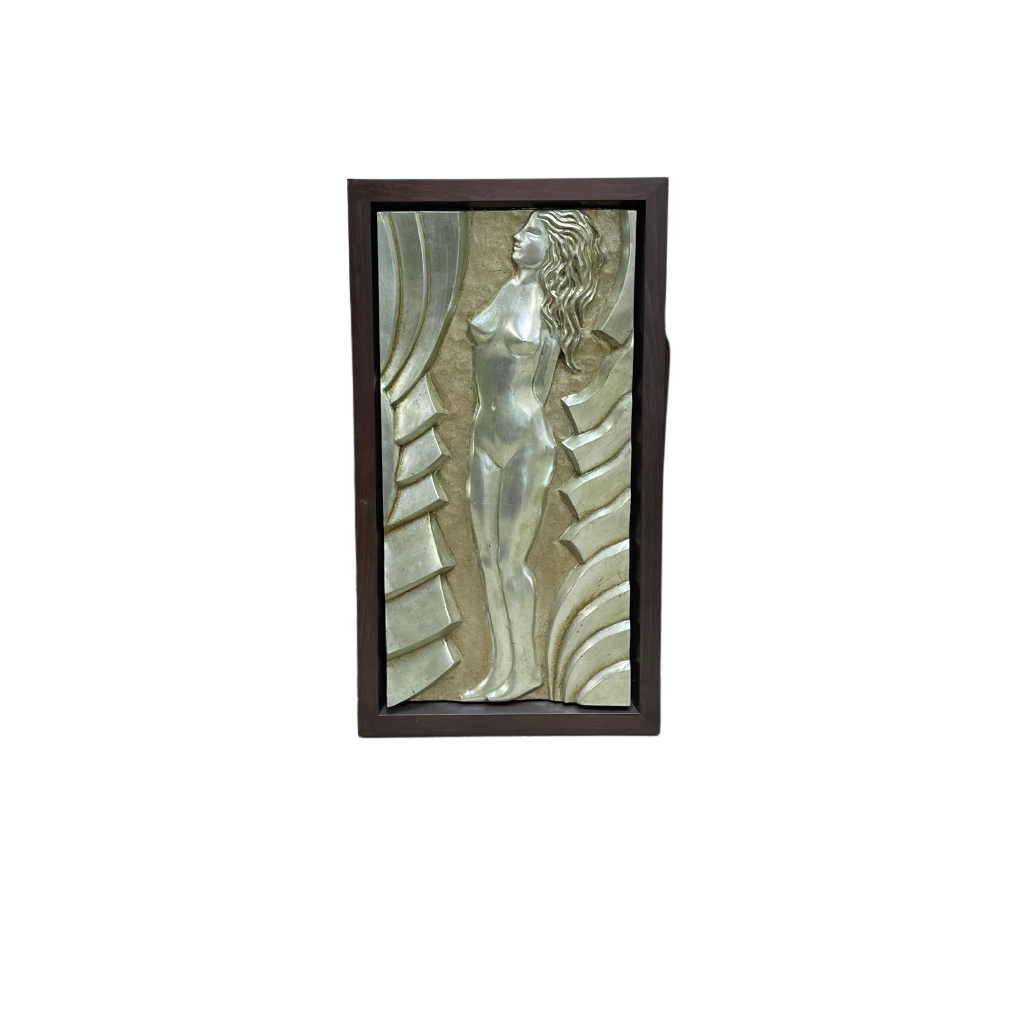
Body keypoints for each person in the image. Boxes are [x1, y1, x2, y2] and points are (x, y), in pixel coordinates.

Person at [461, 211, 604, 702]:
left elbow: (540, 387)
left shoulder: (553, 308)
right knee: (486, 559)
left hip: (524, 441)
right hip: (482, 437)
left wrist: (519, 425)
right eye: (521, 228)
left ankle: (525, 670)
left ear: (554, 248)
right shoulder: (505, 290)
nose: (517, 236)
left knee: (510, 559)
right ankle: (500, 668)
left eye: (532, 232)